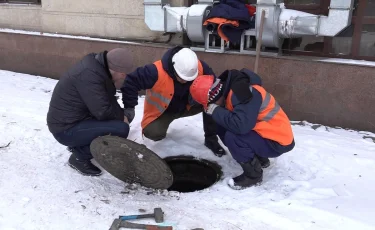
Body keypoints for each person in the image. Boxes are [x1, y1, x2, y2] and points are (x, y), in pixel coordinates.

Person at [189, 68, 295, 189]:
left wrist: (216, 110)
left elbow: (241, 126)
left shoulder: (242, 93)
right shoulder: (229, 90)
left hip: (278, 140)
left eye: (209, 104)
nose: (209, 107)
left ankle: (253, 176)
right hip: (267, 134)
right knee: (222, 123)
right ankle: (260, 159)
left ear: (214, 96)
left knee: (233, 137)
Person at [120, 46, 225, 156]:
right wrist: (129, 108)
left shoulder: (199, 68)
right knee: (153, 133)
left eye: (189, 79)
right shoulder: (154, 72)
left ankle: (211, 139)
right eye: (181, 78)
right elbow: (130, 82)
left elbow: (215, 89)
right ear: (173, 68)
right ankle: (161, 126)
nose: (185, 81)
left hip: (189, 107)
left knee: (212, 100)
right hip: (163, 112)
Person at [47, 48, 134, 176]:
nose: (124, 76)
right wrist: (122, 117)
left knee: (117, 123)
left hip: (78, 119)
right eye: (123, 73)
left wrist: (121, 114)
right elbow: (103, 111)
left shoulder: (98, 69)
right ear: (115, 69)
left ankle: (79, 145)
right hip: (65, 129)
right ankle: (78, 158)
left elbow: (106, 101)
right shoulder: (89, 76)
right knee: (121, 129)